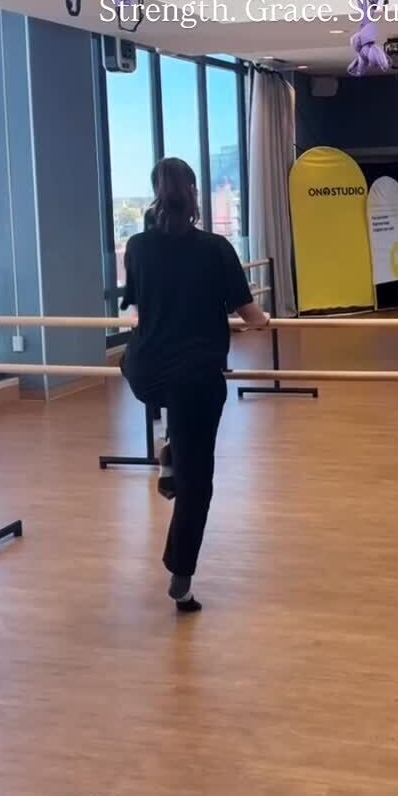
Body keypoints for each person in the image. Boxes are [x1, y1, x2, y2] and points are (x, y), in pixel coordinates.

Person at [120, 157, 269, 612]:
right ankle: (180, 581)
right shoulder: (216, 248)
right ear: (194, 196)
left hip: (144, 373)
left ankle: (169, 448)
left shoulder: (137, 246)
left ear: (156, 195)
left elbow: (137, 309)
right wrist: (263, 322)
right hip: (194, 380)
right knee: (197, 483)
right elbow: (251, 315)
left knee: (148, 378)